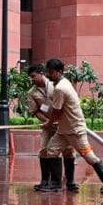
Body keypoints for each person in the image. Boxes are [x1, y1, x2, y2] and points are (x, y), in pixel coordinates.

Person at [41, 58, 103, 195]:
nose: (48, 75)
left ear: (59, 72)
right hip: (64, 130)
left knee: (89, 157)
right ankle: (59, 183)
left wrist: (48, 124)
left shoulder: (60, 88)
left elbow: (57, 112)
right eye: (48, 72)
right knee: (52, 150)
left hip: (75, 130)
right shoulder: (64, 83)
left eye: (51, 72)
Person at [27, 64, 78, 192]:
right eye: (30, 78)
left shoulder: (56, 85)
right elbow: (35, 111)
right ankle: (45, 181)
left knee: (68, 150)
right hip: (48, 126)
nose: (32, 80)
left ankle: (70, 182)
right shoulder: (32, 93)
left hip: (63, 124)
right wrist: (48, 121)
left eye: (33, 76)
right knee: (44, 150)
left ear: (41, 74)